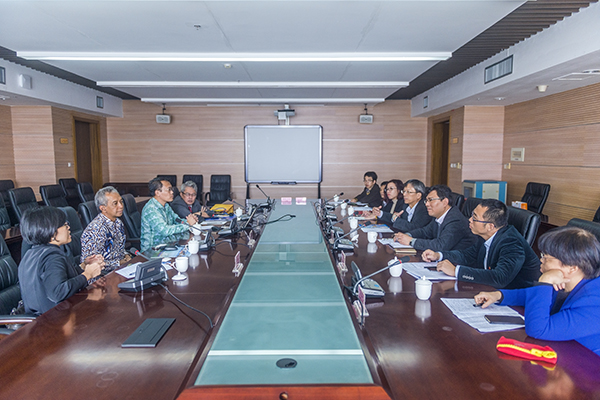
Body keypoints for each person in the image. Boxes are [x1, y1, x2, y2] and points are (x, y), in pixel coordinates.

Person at [475, 226, 600, 356]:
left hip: (587, 363)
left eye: (546, 257)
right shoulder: (567, 281)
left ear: (572, 268)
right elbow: (531, 296)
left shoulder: (594, 302)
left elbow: (538, 330)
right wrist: (499, 295)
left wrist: (545, 281)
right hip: (565, 350)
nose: (541, 260)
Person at [422, 199, 540, 288]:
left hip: (517, 302)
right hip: (489, 291)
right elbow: (467, 255)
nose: (469, 220)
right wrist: (438, 255)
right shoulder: (484, 236)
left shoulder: (511, 242)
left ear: (490, 226)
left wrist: (456, 271)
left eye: (474, 218)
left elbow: (500, 278)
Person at [18, 207, 105, 315]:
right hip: (54, 320)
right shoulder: (52, 257)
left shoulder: (32, 253)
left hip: (41, 319)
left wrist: (83, 266)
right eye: (64, 224)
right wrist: (87, 274)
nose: (68, 227)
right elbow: (57, 293)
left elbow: (59, 278)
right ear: (52, 232)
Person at [394, 184, 477, 251]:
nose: (427, 204)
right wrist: (406, 235)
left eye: (431, 200)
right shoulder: (438, 216)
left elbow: (441, 245)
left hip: (458, 263)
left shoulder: (455, 220)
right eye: (426, 201)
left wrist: (411, 241)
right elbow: (425, 232)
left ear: (445, 202)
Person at [80, 186, 131, 269]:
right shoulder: (96, 229)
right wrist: (118, 263)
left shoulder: (118, 223)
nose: (121, 206)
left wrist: (126, 255)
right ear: (103, 208)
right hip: (104, 274)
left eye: (121, 201)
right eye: (115, 203)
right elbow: (90, 264)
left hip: (121, 268)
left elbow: (119, 248)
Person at [141, 178, 197, 251]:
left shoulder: (166, 206)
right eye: (169, 190)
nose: (172, 192)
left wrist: (190, 221)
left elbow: (177, 220)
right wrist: (188, 224)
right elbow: (165, 230)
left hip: (168, 245)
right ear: (158, 193)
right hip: (153, 251)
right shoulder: (151, 209)